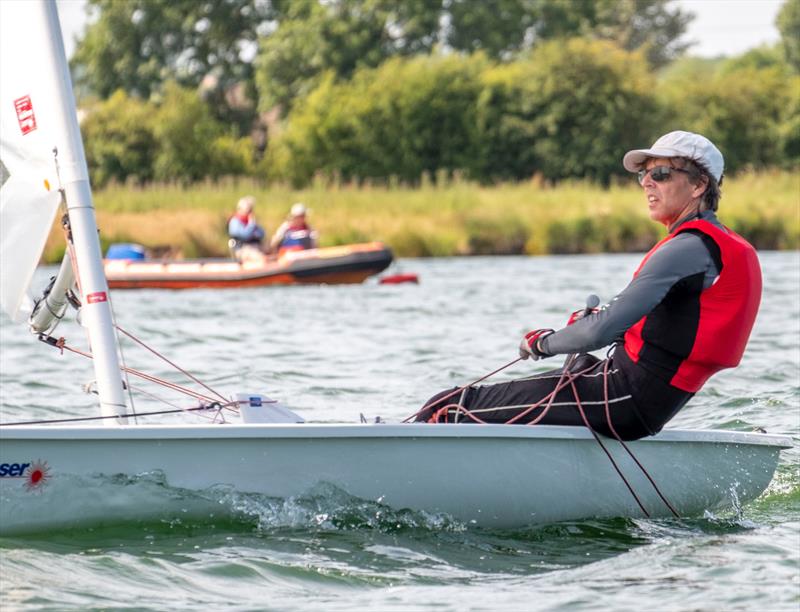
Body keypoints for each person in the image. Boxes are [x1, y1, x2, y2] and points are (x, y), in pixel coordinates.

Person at [415, 131, 762, 441]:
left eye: (660, 173)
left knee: (447, 406)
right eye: (644, 175)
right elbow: (659, 328)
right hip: (641, 403)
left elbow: (602, 331)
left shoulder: (686, 248)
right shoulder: (713, 246)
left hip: (622, 399)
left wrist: (541, 343)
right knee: (574, 366)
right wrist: (589, 326)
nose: (646, 183)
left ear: (699, 185)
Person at [228, 195, 267, 263]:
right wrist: (251, 224)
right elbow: (245, 235)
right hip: (242, 249)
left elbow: (262, 233)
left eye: (251, 209)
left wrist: (253, 225)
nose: (250, 212)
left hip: (255, 246)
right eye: (249, 210)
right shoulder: (235, 222)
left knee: (272, 253)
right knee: (261, 259)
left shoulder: (250, 221)